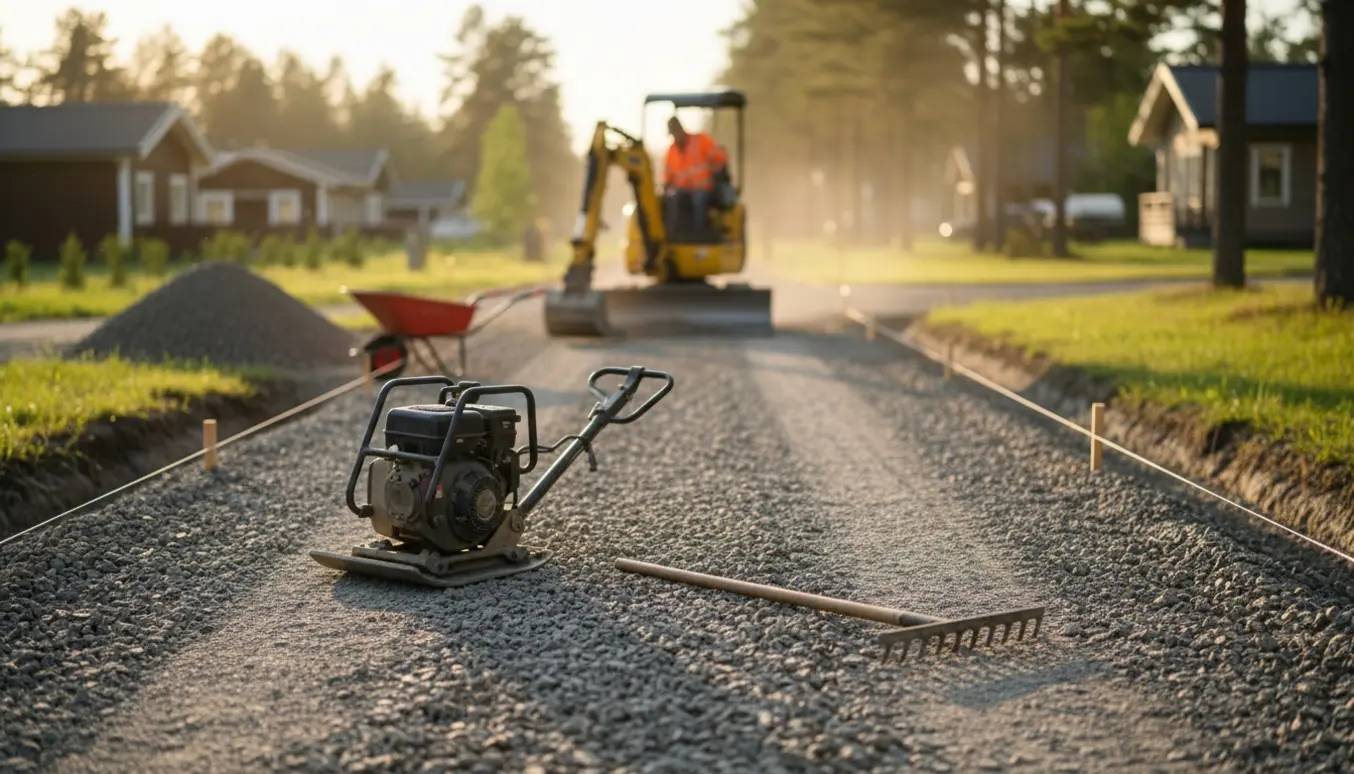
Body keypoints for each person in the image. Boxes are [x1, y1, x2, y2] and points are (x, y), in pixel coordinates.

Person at [662, 116, 728, 235]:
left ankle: (699, 234)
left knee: (698, 200)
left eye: (676, 133)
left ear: (681, 130)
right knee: (672, 200)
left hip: (704, 188)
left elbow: (720, 156)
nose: (675, 137)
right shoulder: (671, 150)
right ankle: (674, 235)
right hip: (682, 190)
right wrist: (665, 187)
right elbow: (668, 175)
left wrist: (717, 170)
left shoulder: (701, 140)